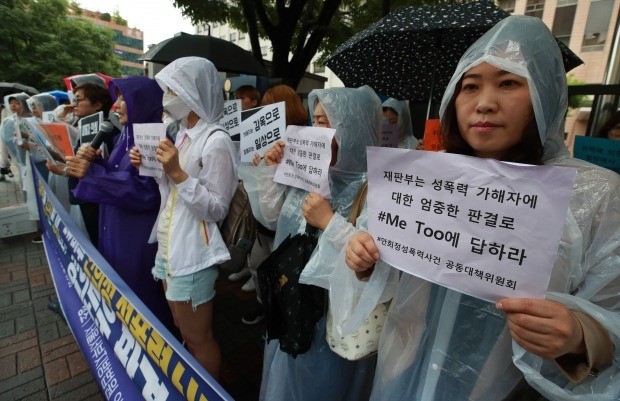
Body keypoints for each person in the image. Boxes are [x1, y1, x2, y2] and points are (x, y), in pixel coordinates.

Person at [341, 15, 619, 400]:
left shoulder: (596, 195)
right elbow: (398, 265)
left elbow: (611, 316)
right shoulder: (427, 177)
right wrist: (367, 258)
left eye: (509, 83)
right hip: (405, 372)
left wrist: (579, 335)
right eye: (470, 86)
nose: (485, 103)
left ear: (547, 93)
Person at [240, 85, 381, 401]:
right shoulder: (309, 173)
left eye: (329, 124)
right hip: (291, 304)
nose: (318, 131)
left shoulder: (373, 190)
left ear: (353, 131)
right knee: (285, 379)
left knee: (321, 386)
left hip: (330, 322)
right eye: (316, 121)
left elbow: (371, 269)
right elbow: (272, 217)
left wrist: (330, 222)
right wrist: (272, 171)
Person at [129, 57, 238, 380]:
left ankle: (206, 389)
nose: (167, 97)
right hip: (169, 244)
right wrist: (150, 166)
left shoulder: (217, 141)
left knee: (198, 337)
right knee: (180, 324)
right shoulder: (182, 134)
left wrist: (176, 171)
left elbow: (217, 207)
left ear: (192, 92)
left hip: (193, 252)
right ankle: (191, 381)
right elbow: (172, 190)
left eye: (174, 90)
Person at [68, 76, 173, 332]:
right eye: (117, 98)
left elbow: (146, 193)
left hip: (135, 235)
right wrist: (95, 163)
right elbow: (118, 174)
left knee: (141, 295)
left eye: (124, 98)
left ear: (142, 102)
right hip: (113, 226)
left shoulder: (154, 139)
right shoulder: (125, 135)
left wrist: (92, 174)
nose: (116, 105)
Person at [238, 84, 310, 325]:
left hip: (286, 231)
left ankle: (278, 316)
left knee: (284, 278)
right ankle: (264, 306)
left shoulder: (304, 143)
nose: (263, 111)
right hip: (263, 228)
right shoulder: (263, 138)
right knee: (260, 267)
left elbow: (281, 204)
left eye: (269, 106)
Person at [47, 82, 114, 245]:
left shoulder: (108, 132)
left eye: (78, 100)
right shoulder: (84, 128)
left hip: (97, 205)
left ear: (98, 104)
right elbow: (79, 161)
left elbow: (102, 172)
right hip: (84, 197)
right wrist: (56, 156)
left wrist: (63, 171)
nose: (73, 105)